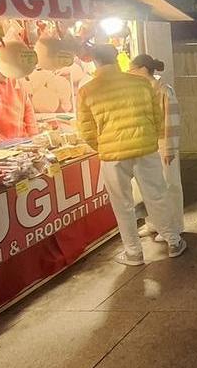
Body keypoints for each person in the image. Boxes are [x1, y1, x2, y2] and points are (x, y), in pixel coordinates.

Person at [77, 44, 185, 265]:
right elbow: (157, 116)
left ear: (95, 61)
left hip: (113, 155)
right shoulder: (142, 83)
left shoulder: (87, 90)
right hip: (146, 149)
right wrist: (150, 138)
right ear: (117, 59)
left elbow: (86, 130)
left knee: (122, 204)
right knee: (157, 195)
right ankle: (173, 241)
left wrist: (103, 145)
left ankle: (133, 253)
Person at [128, 54, 182, 242]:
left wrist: (170, 148)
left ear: (143, 69)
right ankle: (155, 223)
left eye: (131, 69)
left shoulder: (164, 90)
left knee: (169, 185)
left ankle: (173, 226)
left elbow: (172, 121)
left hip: (161, 143)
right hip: (146, 144)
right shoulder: (140, 90)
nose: (129, 73)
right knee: (150, 187)